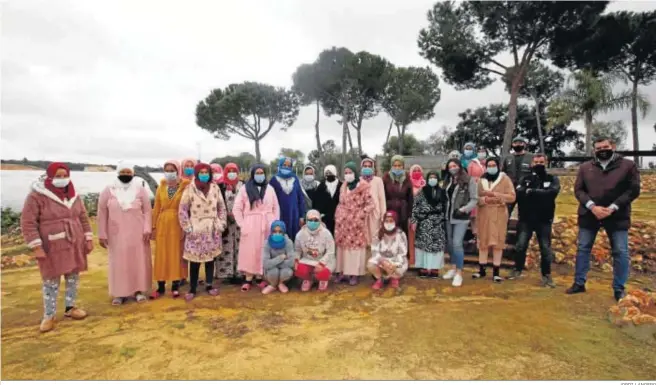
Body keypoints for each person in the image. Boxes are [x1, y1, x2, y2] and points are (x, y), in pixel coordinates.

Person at [21, 162, 93, 333]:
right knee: (51, 279)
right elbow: (28, 222)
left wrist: (88, 238)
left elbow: (83, 217)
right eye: (58, 176)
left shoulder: (74, 195)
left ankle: (70, 307)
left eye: (64, 175)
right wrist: (36, 246)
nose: (62, 179)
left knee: (73, 276)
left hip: (74, 240)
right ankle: (49, 315)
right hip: (50, 243)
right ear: (50, 176)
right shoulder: (37, 196)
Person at [567, 137, 641, 301]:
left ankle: (619, 288)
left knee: (621, 251)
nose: (602, 150)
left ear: (613, 146)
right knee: (583, 248)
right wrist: (592, 206)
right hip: (589, 214)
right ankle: (579, 283)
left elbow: (633, 190)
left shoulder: (628, 165)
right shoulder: (586, 167)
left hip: (617, 215)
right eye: (598, 148)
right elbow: (579, 190)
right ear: (594, 150)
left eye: (605, 147)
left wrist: (612, 207)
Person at [98, 162, 153, 305]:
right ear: (118, 172)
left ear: (133, 174)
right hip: (116, 234)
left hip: (138, 233)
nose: (126, 175)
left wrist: (147, 228)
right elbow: (102, 212)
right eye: (124, 172)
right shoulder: (108, 190)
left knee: (138, 261)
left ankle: (139, 290)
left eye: (129, 173)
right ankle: (119, 293)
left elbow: (147, 210)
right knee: (119, 263)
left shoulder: (140, 190)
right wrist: (102, 233)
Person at [509, 154, 560, 287]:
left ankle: (546, 275)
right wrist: (538, 193)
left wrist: (531, 192)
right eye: (536, 162)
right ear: (531, 164)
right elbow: (519, 192)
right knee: (520, 246)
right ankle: (517, 269)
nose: (539, 164)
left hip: (544, 220)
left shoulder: (552, 178)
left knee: (545, 249)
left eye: (541, 162)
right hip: (526, 219)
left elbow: (552, 193)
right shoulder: (525, 178)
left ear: (546, 163)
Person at [178, 163, 227, 301]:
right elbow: (182, 210)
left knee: (210, 259)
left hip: (212, 228)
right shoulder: (189, 189)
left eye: (207, 172)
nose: (204, 175)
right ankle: (192, 288)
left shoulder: (215, 188)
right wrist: (187, 227)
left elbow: (221, 207)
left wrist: (221, 223)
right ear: (197, 173)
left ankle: (209, 285)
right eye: (202, 172)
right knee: (195, 260)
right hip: (196, 228)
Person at [233, 164, 280, 291]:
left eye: (262, 173)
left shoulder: (270, 189)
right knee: (249, 251)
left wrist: (275, 224)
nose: (260, 175)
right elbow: (237, 208)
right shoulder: (244, 189)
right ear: (253, 174)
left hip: (267, 223)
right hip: (251, 223)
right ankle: (248, 278)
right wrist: (243, 224)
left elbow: (276, 207)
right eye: (257, 173)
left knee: (263, 250)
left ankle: (260, 277)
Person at [150, 160, 190, 299]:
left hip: (178, 222)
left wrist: (186, 226)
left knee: (176, 253)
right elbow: (156, 208)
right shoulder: (161, 187)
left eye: (172, 170)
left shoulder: (185, 186)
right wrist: (153, 226)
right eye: (166, 170)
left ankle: (175, 285)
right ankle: (160, 287)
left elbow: (187, 207)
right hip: (162, 222)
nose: (169, 173)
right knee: (161, 254)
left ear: (178, 170)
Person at [475, 158, 516, 283]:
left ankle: (496, 272)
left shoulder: (505, 179)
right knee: (483, 241)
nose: (491, 167)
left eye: (494, 165)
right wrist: (484, 200)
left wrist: (496, 196)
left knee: (498, 242)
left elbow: (512, 197)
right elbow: (475, 197)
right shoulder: (481, 180)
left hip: (499, 214)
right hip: (484, 214)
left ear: (498, 166)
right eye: (489, 165)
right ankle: (481, 270)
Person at [334, 162, 374, 286]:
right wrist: (338, 215)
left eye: (350, 172)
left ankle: (354, 274)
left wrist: (360, 214)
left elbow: (371, 204)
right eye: (345, 173)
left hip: (356, 224)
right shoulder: (343, 186)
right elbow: (341, 202)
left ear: (355, 173)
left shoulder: (363, 186)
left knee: (355, 250)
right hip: (342, 224)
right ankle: (343, 273)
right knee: (342, 249)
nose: (347, 175)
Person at [442, 159, 478, 287]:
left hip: (461, 217)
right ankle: (453, 267)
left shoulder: (469, 180)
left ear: (460, 166)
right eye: (450, 166)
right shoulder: (447, 181)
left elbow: (474, 199)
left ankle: (459, 273)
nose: (452, 168)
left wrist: (464, 210)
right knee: (450, 244)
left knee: (457, 244)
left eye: (455, 165)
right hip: (447, 216)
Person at [411, 170, 447, 279]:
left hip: (438, 223)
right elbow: (415, 206)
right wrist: (414, 220)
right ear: (427, 179)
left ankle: (435, 269)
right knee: (423, 245)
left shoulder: (442, 192)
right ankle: (424, 268)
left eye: (434, 177)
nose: (432, 179)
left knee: (436, 247)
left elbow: (445, 207)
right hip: (424, 222)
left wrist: (442, 219)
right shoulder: (422, 191)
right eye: (430, 177)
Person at [294, 209, 336, 292]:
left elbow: (331, 251)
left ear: (320, 220)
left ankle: (323, 280)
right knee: (299, 268)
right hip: (308, 259)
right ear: (306, 220)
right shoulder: (301, 234)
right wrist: (296, 259)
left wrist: (322, 263)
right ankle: (308, 279)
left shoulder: (326, 233)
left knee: (323, 272)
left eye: (316, 220)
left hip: (324, 260)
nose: (313, 222)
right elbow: (297, 250)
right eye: (310, 220)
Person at [215, 162, 243, 283]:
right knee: (226, 245)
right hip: (225, 221)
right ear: (225, 172)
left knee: (240, 246)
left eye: (234, 171)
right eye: (229, 171)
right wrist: (226, 216)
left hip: (240, 221)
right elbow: (217, 203)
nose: (232, 173)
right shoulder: (220, 185)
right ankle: (225, 273)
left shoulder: (242, 185)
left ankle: (239, 272)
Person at [368, 211, 409, 290]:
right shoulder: (378, 233)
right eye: (386, 221)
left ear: (395, 221)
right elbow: (374, 250)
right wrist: (382, 261)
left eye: (391, 221)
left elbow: (402, 253)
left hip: (395, 260)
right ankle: (380, 279)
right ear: (383, 221)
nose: (388, 223)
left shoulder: (400, 234)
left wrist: (393, 263)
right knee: (370, 264)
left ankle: (394, 278)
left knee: (401, 264)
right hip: (382, 261)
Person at [269, 156, 306, 241]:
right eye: (284, 165)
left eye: (289, 165)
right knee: (280, 235)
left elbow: (300, 198)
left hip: (294, 214)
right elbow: (269, 199)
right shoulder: (274, 180)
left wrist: (301, 216)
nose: (286, 167)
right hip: (279, 214)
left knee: (294, 237)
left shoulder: (295, 179)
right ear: (280, 165)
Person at [501, 136, 533, 216]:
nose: (517, 145)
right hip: (510, 190)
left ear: (524, 145)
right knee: (505, 212)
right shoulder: (508, 157)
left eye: (520, 143)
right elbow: (503, 173)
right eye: (515, 143)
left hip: (525, 190)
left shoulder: (531, 157)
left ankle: (522, 228)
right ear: (512, 145)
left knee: (524, 214)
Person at [261, 220, 295, 294]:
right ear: (271, 232)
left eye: (280, 232)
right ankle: (272, 285)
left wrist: (273, 263)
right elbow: (265, 264)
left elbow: (291, 262)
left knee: (286, 272)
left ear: (284, 232)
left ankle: (281, 283)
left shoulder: (288, 242)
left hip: (284, 270)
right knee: (273, 271)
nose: (277, 234)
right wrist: (281, 258)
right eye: (274, 231)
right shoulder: (267, 243)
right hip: (271, 271)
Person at [383, 155, 413, 235]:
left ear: (403, 166)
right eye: (395, 165)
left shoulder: (407, 178)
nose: (397, 167)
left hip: (403, 212)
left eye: (399, 165)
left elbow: (410, 198)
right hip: (390, 211)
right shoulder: (386, 178)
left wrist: (410, 215)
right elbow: (383, 196)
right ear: (391, 166)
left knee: (402, 235)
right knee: (390, 234)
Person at [360, 156, 387, 247]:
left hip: (375, 213)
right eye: (365, 166)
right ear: (362, 167)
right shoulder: (358, 181)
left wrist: (383, 214)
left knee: (375, 237)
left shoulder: (378, 180)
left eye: (369, 166)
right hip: (362, 212)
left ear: (373, 168)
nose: (367, 168)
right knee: (363, 237)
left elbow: (381, 198)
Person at [311, 165, 342, 235]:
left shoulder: (341, 186)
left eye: (330, 173)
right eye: (327, 173)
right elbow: (316, 203)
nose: (329, 175)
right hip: (324, 221)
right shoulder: (320, 187)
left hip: (338, 220)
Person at [407, 164, 426, 267]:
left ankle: (421, 262)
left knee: (421, 238)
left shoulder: (425, 184)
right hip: (411, 215)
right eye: (414, 170)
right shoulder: (408, 184)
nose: (417, 172)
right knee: (411, 238)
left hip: (423, 216)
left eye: (418, 170)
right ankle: (412, 260)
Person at [467, 145, 487, 239]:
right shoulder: (472, 163)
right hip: (474, 189)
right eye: (480, 151)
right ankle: (475, 233)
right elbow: (468, 177)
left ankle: (483, 233)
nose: (481, 153)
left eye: (483, 151)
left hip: (486, 189)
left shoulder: (489, 163)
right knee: (474, 213)